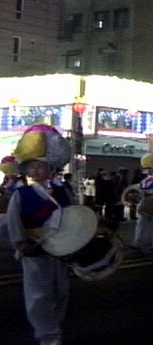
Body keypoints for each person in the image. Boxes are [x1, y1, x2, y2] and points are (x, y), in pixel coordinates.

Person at [5, 124, 75, 345]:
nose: (35, 171)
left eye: (40, 166)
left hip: (60, 248)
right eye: (32, 166)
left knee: (60, 291)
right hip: (35, 248)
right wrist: (20, 242)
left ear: (51, 168)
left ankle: (54, 324)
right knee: (38, 293)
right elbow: (14, 219)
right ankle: (48, 335)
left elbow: (73, 216)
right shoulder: (22, 194)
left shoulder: (64, 191)